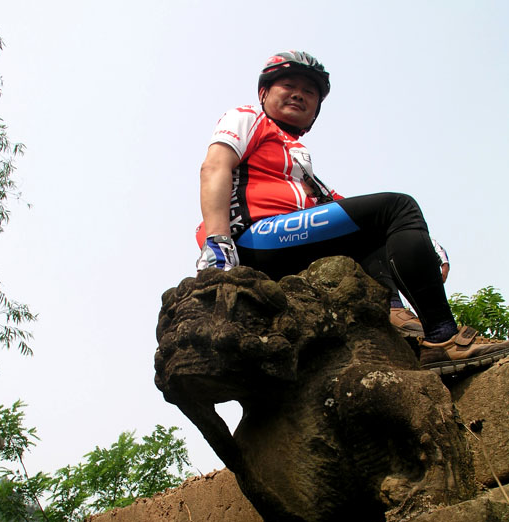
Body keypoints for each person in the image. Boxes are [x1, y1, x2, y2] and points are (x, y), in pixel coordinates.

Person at [196, 50, 509, 374]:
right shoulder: (247, 117)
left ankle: (397, 319)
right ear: (263, 92)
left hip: (286, 240)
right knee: (398, 207)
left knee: (377, 231)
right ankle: (443, 337)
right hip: (253, 237)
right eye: (288, 85)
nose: (299, 95)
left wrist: (422, 238)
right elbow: (214, 167)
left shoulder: (297, 155)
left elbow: (338, 206)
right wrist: (218, 243)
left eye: (309, 91)